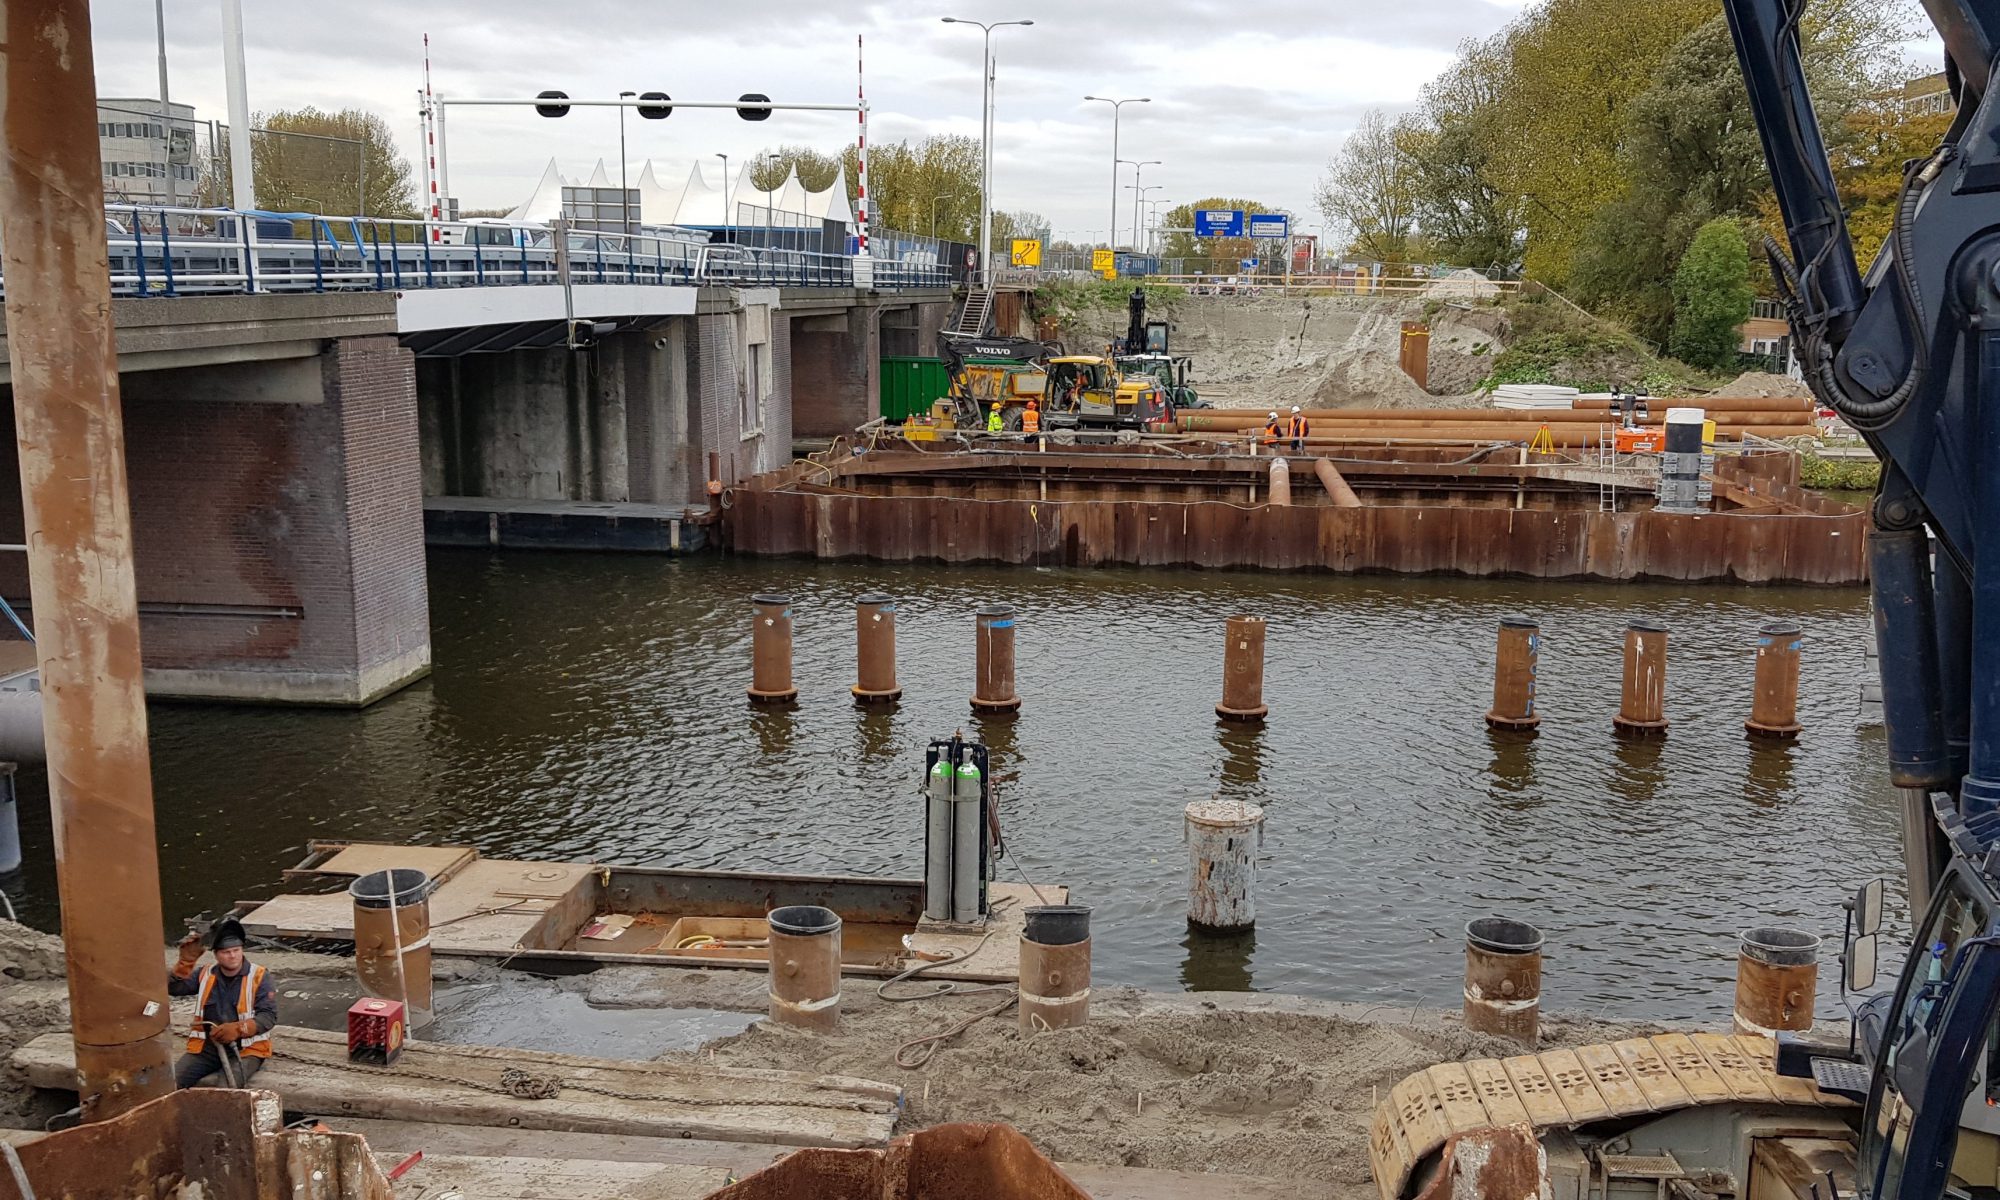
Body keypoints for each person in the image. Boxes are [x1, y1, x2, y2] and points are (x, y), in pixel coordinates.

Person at [168, 918, 276, 1089]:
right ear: (216, 954)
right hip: (208, 1049)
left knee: (224, 1089)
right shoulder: (205, 974)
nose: (232, 956)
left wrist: (239, 1029)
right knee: (169, 1084)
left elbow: (268, 1016)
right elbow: (174, 988)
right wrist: (184, 964)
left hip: (246, 1050)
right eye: (226, 952)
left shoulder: (259, 976)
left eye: (236, 950)